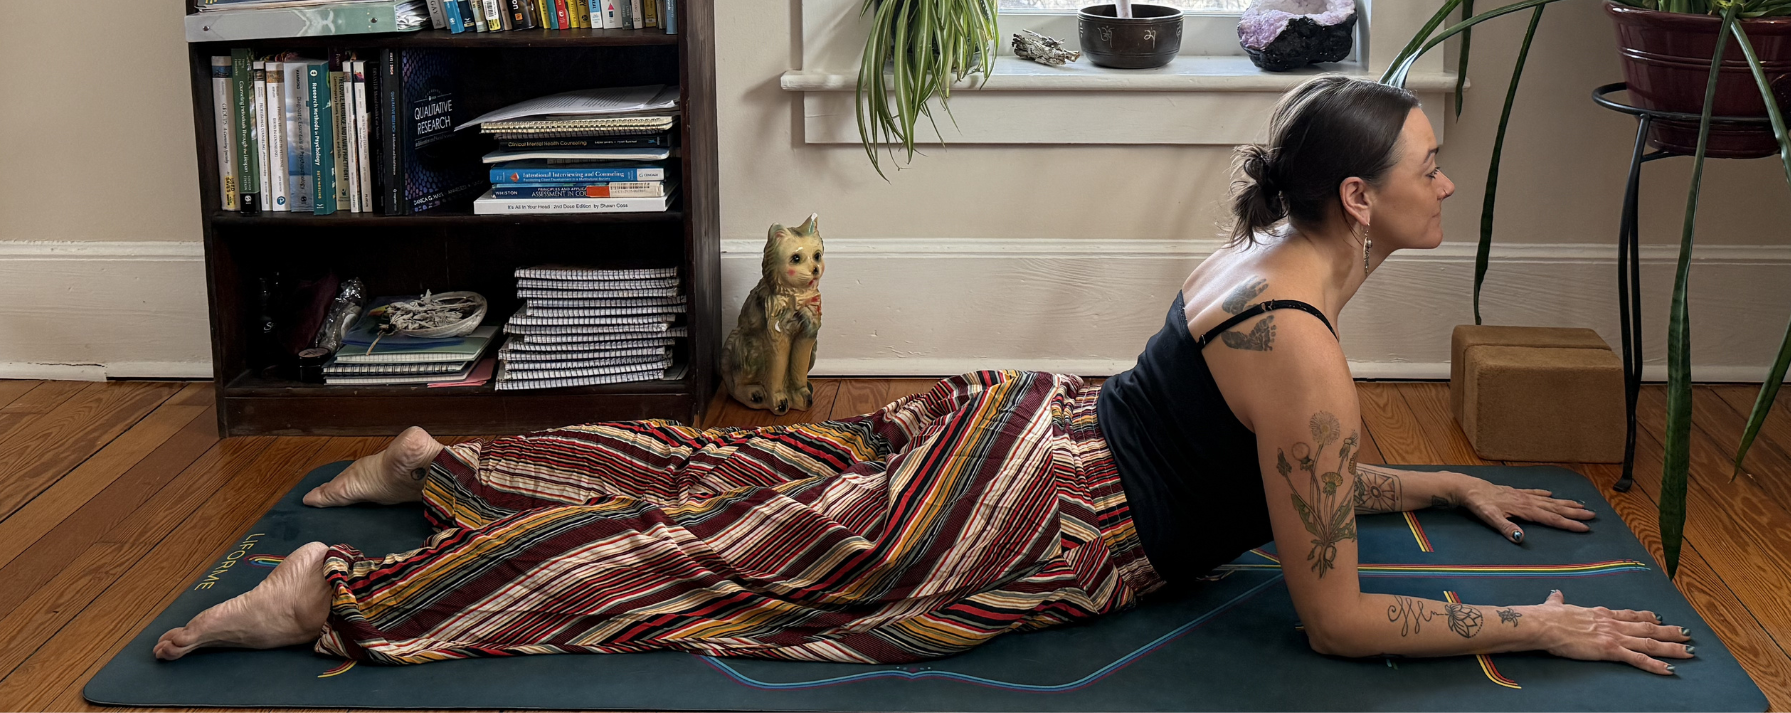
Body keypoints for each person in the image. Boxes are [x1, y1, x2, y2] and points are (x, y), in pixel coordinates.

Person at [154, 77, 1693, 676]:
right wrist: (1537, 627)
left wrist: (1444, 480)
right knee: (699, 564)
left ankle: (440, 461)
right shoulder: (1303, 346)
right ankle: (331, 600)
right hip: (1035, 517)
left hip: (1032, 426)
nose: (1445, 179)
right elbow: (1339, 615)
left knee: (726, 477)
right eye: (1430, 165)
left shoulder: (1260, 264)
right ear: (1360, 202)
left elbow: (1287, 462)